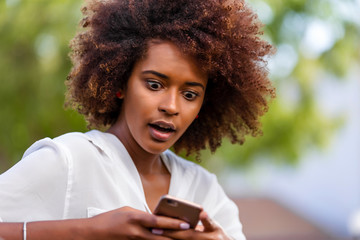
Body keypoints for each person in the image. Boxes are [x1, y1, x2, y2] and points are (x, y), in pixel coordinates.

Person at [0, 0, 275, 239]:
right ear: (120, 83)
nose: (171, 106)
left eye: (190, 94)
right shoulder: (69, 160)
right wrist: (87, 231)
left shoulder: (205, 191)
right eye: (154, 85)